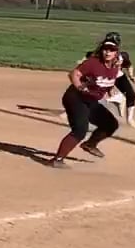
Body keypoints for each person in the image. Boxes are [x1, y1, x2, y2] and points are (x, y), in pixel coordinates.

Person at [50, 37, 125, 166]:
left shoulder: (115, 66)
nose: (107, 52)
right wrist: (80, 87)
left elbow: (107, 80)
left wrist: (110, 90)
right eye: (105, 49)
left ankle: (90, 144)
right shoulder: (93, 63)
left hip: (91, 101)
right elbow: (74, 74)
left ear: (116, 53)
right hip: (76, 98)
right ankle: (57, 160)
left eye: (111, 50)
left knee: (110, 124)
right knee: (80, 130)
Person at [88, 31, 135, 128]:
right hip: (103, 76)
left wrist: (131, 76)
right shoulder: (99, 54)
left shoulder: (122, 56)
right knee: (97, 96)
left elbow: (129, 65)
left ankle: (129, 117)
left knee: (130, 95)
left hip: (117, 76)